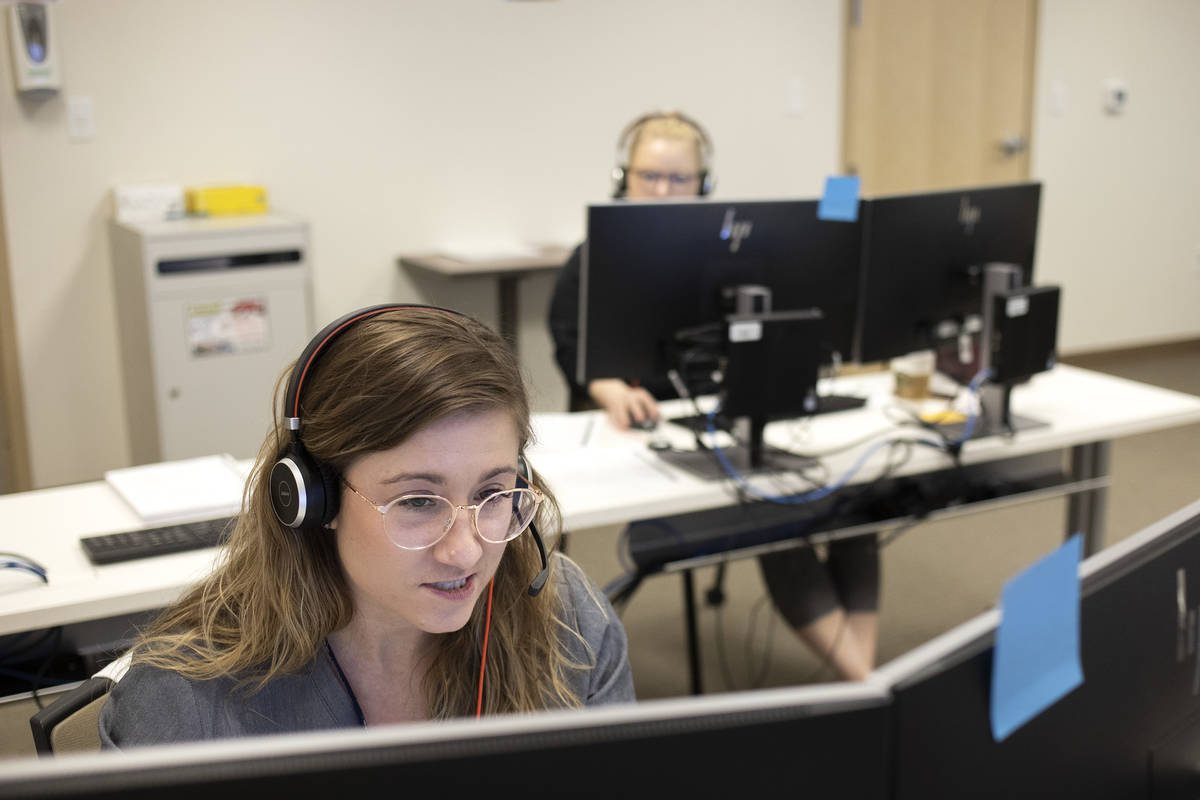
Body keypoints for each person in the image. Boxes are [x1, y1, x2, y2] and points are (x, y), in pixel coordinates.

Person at [100, 304, 635, 747]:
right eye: (419, 502)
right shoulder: (186, 699)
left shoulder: (569, 623)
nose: (465, 552)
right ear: (314, 498)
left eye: (492, 494)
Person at [547, 111, 879, 681]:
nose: (662, 191)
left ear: (704, 185)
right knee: (774, 510)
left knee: (854, 503)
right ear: (622, 178)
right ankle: (869, 682)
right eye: (649, 176)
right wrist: (608, 390)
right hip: (645, 433)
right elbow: (571, 344)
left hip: (725, 417)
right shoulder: (594, 255)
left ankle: (864, 674)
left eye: (678, 180)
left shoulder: (732, 254)